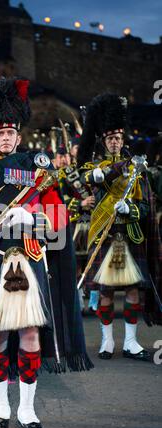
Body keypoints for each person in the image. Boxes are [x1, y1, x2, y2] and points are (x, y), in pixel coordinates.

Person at [0, 57, 93, 428]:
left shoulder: (36, 169)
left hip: (29, 259)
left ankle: (27, 411)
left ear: (19, 135)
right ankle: (0, 406)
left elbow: (59, 217)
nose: (7, 138)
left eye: (12, 132)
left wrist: (34, 221)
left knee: (31, 335)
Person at [78, 94, 162, 360]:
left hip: (130, 235)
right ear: (103, 141)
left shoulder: (138, 170)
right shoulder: (96, 166)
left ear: (124, 141)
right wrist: (116, 169)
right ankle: (106, 342)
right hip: (105, 234)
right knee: (105, 292)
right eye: (110, 138)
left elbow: (147, 206)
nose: (114, 142)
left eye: (118, 138)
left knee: (134, 290)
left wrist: (131, 209)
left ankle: (130, 342)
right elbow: (91, 178)